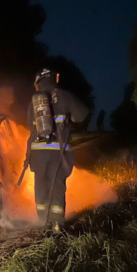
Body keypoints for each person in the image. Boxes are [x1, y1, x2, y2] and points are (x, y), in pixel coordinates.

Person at [25, 68, 90, 232]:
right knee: (57, 186)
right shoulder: (64, 96)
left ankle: (42, 222)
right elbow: (81, 116)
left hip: (37, 152)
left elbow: (29, 126)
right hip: (58, 151)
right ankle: (57, 224)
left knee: (41, 186)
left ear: (37, 83)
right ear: (56, 78)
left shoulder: (33, 102)